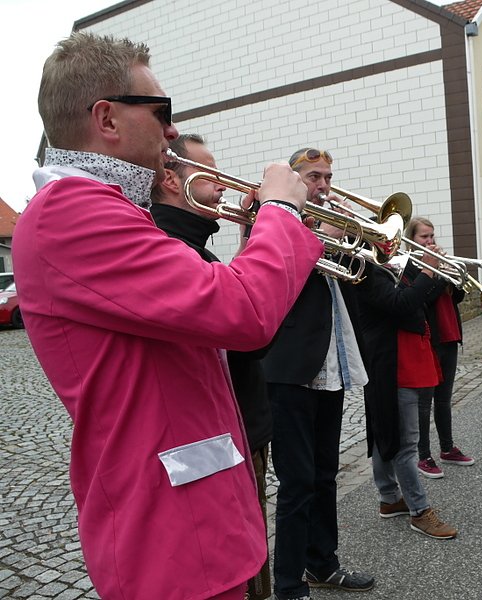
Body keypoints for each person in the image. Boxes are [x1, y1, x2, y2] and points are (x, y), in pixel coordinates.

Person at [13, 32, 322, 600]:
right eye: (161, 112)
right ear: (106, 118)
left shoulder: (108, 208)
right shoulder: (72, 212)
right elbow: (243, 310)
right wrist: (280, 210)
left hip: (198, 514)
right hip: (174, 535)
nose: (172, 129)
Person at [151, 133, 273, 600]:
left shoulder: (193, 247)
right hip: (224, 439)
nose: (222, 186)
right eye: (209, 175)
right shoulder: (175, 248)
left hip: (234, 431)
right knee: (244, 570)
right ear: (169, 180)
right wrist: (274, 227)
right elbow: (252, 336)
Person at [262, 148, 374, 600]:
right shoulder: (267, 220)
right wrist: (319, 236)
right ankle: (289, 585)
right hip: (290, 371)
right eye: (314, 177)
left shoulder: (327, 221)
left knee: (326, 473)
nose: (324, 185)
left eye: (328, 177)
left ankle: (323, 563)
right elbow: (272, 279)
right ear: (292, 180)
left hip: (332, 366)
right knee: (297, 483)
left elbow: (357, 275)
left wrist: (358, 239)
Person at [355, 249, 458, 540]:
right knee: (405, 442)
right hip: (393, 365)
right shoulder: (367, 270)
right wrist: (427, 272)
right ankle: (419, 510)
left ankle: (389, 498)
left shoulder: (389, 268)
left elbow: (420, 298)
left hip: (403, 360)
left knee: (385, 431)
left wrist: (430, 272)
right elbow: (402, 302)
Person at [404, 217, 475, 479]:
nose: (430, 241)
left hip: (449, 335)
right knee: (424, 403)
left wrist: (453, 279)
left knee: (444, 399)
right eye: (424, 237)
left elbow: (457, 296)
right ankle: (423, 456)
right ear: (412, 239)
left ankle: (447, 448)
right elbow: (420, 299)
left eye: (432, 236)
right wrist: (435, 273)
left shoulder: (437, 263)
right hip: (429, 339)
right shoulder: (410, 266)